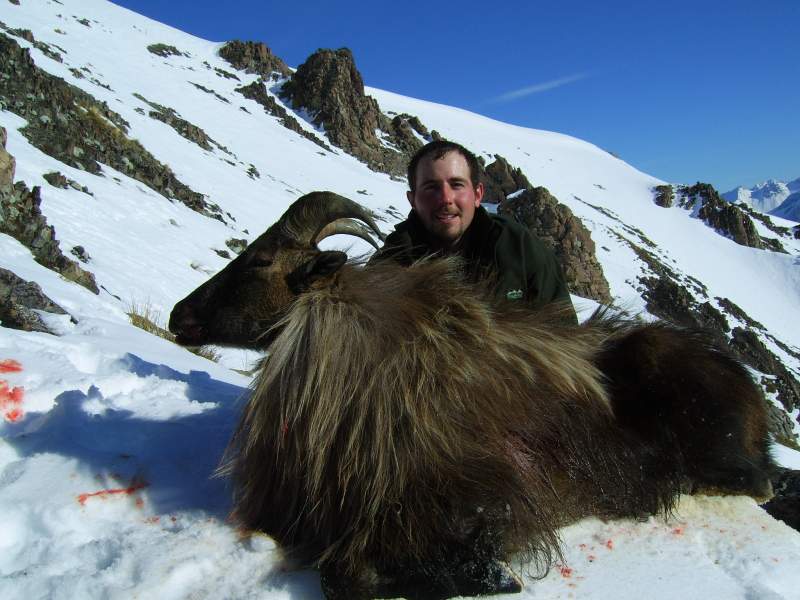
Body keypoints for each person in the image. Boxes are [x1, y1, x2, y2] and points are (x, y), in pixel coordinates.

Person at [371, 140, 578, 323]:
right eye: (431, 187)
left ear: (478, 195)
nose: (445, 198)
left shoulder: (520, 248)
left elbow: (566, 339)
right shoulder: (390, 262)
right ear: (412, 200)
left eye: (457, 184)